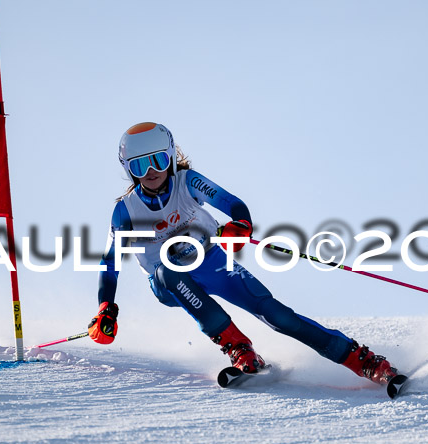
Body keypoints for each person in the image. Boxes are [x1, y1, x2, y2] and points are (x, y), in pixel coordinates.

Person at [88, 122, 398, 385]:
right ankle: (240, 350)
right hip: (168, 280)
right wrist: (106, 308)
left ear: (170, 157)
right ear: (129, 170)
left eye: (157, 160)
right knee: (168, 271)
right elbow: (110, 262)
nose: (151, 171)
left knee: (277, 315)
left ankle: (363, 361)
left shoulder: (188, 182)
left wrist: (241, 224)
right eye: (140, 165)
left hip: (210, 260)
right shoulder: (125, 211)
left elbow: (233, 205)